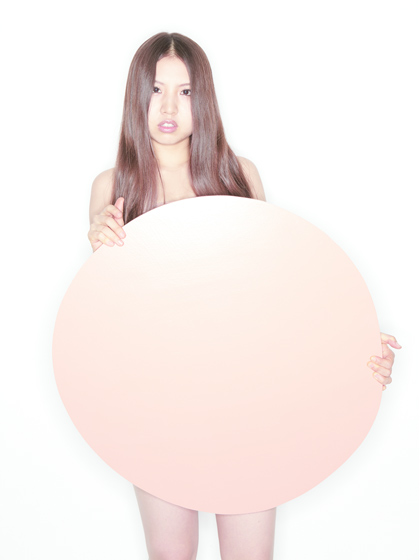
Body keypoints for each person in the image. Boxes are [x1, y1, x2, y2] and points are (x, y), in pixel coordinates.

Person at [87, 32, 401, 560]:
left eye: (186, 92)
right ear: (136, 95)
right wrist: (101, 246)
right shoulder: (113, 186)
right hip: (156, 404)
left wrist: (354, 341)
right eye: (156, 90)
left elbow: (276, 297)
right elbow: (107, 317)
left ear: (204, 98)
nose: (169, 107)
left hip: (247, 398)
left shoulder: (236, 174)